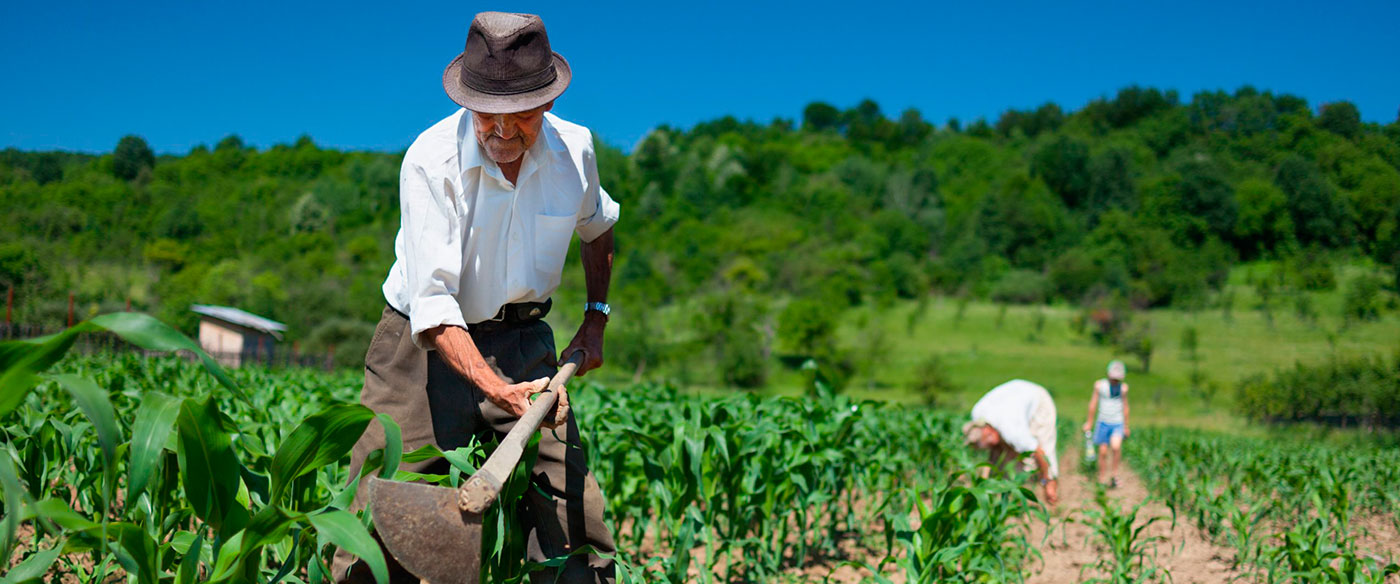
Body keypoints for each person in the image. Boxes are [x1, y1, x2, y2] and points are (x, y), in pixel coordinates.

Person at [333, 12, 618, 584]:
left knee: (570, 512)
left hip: (525, 340)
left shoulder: (575, 151)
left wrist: (595, 318)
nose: (504, 132)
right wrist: (495, 390)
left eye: (522, 117)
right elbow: (435, 308)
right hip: (419, 349)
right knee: (381, 510)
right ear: (468, 101)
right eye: (489, 114)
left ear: (548, 104)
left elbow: (598, 227)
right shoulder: (430, 161)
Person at [963, 379, 1060, 505]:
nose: (982, 447)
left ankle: (1051, 488)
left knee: (1041, 451)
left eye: (983, 443)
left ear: (988, 432)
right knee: (1001, 458)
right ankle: (1000, 497)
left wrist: (1046, 480)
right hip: (1015, 397)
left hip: (1038, 401)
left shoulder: (1011, 430)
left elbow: (1038, 450)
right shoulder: (977, 414)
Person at [1082, 360, 1130, 488]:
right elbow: (1093, 404)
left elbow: (1125, 407)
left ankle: (1114, 474)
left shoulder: (1123, 389)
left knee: (1115, 447)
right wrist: (1089, 422)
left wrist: (1126, 426)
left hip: (1117, 422)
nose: (1115, 381)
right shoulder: (1099, 386)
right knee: (1102, 452)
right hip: (1103, 422)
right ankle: (1102, 476)